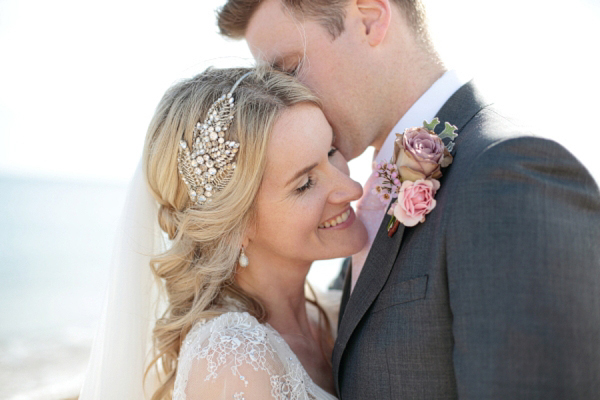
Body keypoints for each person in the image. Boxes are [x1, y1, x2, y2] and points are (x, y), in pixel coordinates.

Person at [216, 0, 600, 398]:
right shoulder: (371, 203)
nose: (288, 99)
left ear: (369, 19)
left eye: (290, 69)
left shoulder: (508, 175)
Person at [80, 66, 368, 399]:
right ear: (234, 225)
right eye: (304, 184)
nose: (352, 188)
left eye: (332, 152)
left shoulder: (336, 314)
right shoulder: (233, 365)